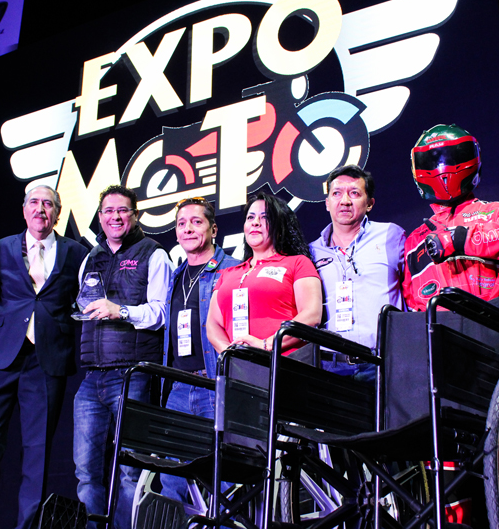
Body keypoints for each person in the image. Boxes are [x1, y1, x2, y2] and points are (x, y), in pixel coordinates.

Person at [0, 186, 88, 529]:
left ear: (58, 213)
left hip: (46, 360)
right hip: (0, 358)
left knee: (38, 453)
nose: (40, 209)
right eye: (34, 203)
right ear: (24, 210)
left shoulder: (76, 253)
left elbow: (84, 298)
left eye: (48, 204)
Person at [74, 185, 171, 529]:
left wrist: (122, 311)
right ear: (100, 217)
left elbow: (162, 313)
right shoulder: (91, 257)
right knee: (86, 473)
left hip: (132, 375)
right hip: (91, 377)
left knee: (132, 471)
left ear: (135, 215)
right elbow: (83, 304)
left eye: (122, 210)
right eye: (108, 211)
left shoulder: (153, 254)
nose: (115, 217)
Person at [403, 124, 499, 311]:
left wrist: (459, 239)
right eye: (432, 161)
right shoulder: (414, 241)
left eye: (452, 158)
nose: (443, 168)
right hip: (438, 327)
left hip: (495, 321)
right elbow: (413, 302)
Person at [159, 197, 240, 503]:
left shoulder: (233, 270)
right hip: (179, 387)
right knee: (172, 482)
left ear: (213, 229)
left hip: (216, 384)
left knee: (225, 483)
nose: (188, 229)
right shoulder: (176, 276)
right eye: (182, 224)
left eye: (196, 222)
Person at [309, 165, 406, 379]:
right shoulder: (311, 252)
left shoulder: (391, 235)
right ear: (327, 203)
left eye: (354, 193)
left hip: (382, 362)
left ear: (369, 203)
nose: (345, 201)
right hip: (329, 365)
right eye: (336, 193)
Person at [206, 192, 322, 355]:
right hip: (238, 365)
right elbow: (213, 324)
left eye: (265, 217)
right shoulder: (227, 273)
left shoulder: (298, 263)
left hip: (284, 362)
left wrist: (266, 344)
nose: (255, 222)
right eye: (250, 217)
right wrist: (230, 354)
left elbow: (312, 315)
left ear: (280, 226)